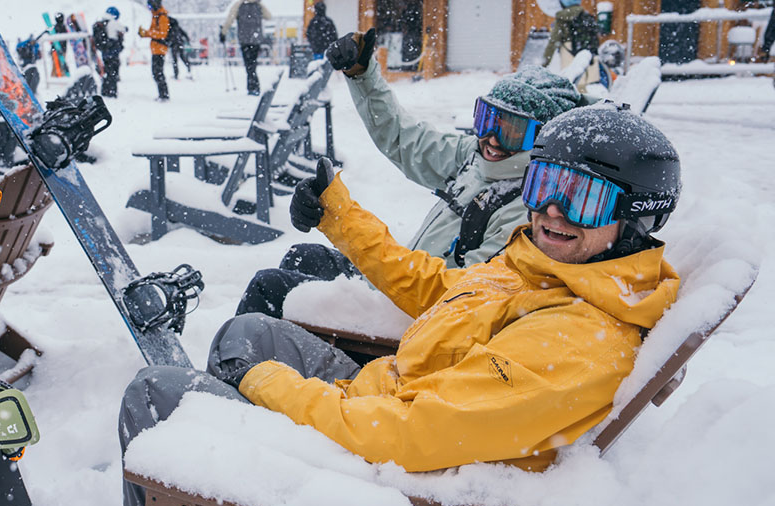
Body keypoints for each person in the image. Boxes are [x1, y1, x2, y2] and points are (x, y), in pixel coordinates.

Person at [119, 103, 682, 506]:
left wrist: (266, 385)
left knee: (155, 393)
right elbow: (439, 290)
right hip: (383, 406)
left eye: (580, 198)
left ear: (636, 216)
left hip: (387, 494)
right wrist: (338, 215)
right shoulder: (543, 269)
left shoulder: (578, 342)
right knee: (247, 333)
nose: (552, 212)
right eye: (543, 186)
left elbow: (402, 436)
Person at [236, 30, 582, 318]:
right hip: (401, 285)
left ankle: (244, 388)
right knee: (302, 257)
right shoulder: (476, 160)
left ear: (543, 138)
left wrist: (343, 219)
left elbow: (456, 296)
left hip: (415, 318)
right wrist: (362, 73)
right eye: (487, 119)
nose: (491, 138)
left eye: (511, 131)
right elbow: (405, 138)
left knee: (269, 289)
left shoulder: (528, 210)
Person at [541, 0, 601, 91]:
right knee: (585, 88)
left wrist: (545, 62)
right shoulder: (587, 16)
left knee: (571, 85)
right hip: (588, 55)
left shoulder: (562, 18)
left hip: (569, 54)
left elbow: (553, 41)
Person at [220, 0, 272, 95]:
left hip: (244, 39)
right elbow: (269, 16)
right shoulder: (258, 4)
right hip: (256, 38)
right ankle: (254, 85)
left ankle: (252, 86)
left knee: (248, 63)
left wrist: (223, 32)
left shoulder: (238, 5)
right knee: (253, 63)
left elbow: (230, 19)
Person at [138, 0, 170, 101]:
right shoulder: (156, 16)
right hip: (156, 48)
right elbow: (155, 32)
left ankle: (164, 95)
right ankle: (162, 94)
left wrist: (147, 33)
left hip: (160, 48)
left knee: (158, 72)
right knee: (156, 72)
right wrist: (145, 34)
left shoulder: (162, 17)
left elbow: (162, 34)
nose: (150, 9)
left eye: (151, 7)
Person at [92, 6, 126, 98]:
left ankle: (105, 90)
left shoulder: (102, 22)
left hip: (105, 52)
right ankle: (112, 92)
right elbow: (124, 29)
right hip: (112, 52)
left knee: (107, 71)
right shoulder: (112, 23)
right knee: (113, 72)